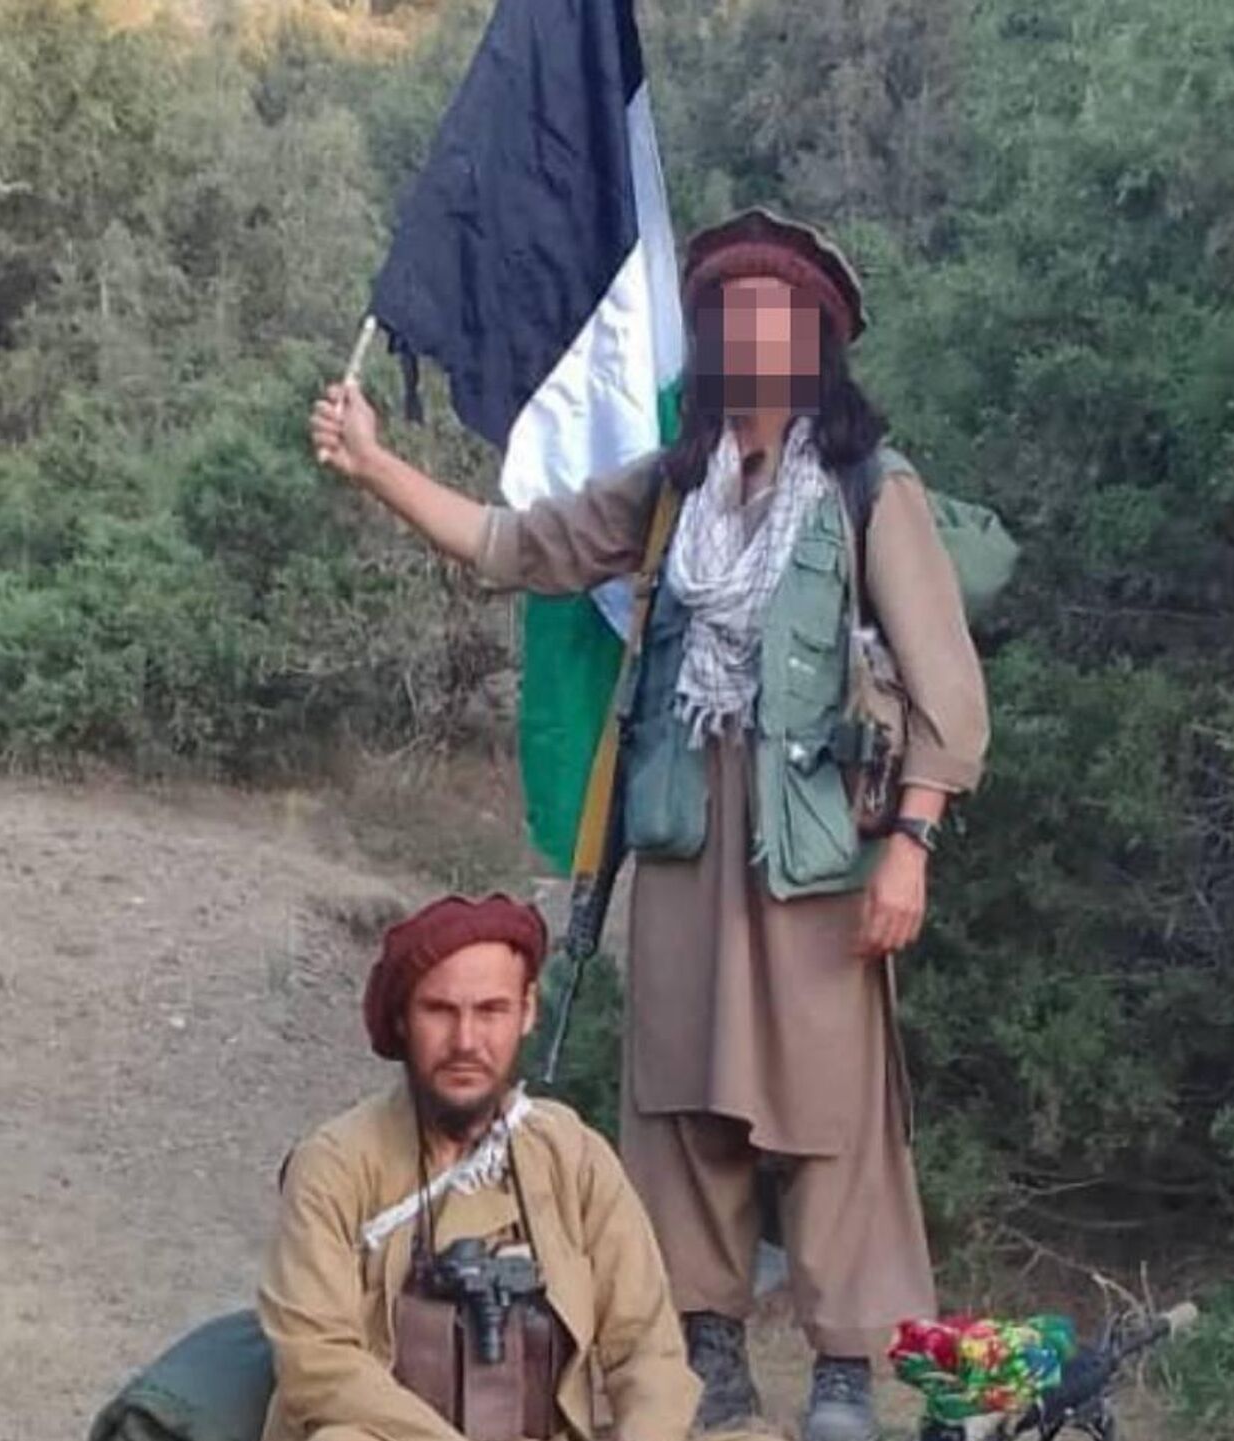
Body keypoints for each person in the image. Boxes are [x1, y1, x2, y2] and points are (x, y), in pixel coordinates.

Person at [309, 209, 990, 1441]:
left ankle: (844, 1365)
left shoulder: (869, 490)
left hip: (817, 850)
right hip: (684, 836)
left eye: (775, 319)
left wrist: (912, 844)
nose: (750, 340)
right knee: (680, 1095)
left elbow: (948, 689)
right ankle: (703, 1341)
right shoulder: (673, 489)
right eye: (728, 318)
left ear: (818, 344)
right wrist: (374, 465)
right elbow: (517, 546)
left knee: (831, 1103)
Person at [257, 892, 701, 1441]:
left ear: (527, 1012)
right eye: (439, 1011)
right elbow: (316, 1364)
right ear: (401, 1019)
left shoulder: (572, 1156)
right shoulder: (335, 1167)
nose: (466, 1041)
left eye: (491, 1011)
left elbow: (648, 1350)